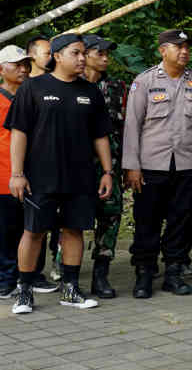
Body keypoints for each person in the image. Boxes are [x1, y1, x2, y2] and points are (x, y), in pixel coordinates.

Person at [6, 33, 114, 313]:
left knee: (74, 230)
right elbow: (19, 133)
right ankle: (24, 291)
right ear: (57, 56)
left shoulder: (90, 92)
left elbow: (100, 135)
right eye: (75, 53)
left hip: (80, 176)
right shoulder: (33, 88)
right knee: (34, 231)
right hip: (40, 176)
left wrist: (107, 171)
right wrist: (17, 173)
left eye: (83, 53)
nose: (82, 58)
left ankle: (71, 288)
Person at [123, 30, 192, 298]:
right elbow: (132, 125)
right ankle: (144, 273)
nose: (184, 52)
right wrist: (132, 166)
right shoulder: (145, 81)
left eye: (187, 47)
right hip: (151, 164)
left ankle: (174, 272)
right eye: (178, 47)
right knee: (147, 220)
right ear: (163, 50)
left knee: (181, 220)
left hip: (186, 164)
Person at [81, 34, 127, 298]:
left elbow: (126, 127)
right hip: (77, 167)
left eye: (108, 53)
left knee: (110, 217)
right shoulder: (69, 85)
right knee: (71, 220)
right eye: (100, 53)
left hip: (110, 166)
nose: (106, 58)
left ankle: (101, 275)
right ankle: (66, 272)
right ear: (84, 54)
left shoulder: (117, 87)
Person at [24, 34, 60, 292]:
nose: (51, 56)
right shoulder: (27, 87)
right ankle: (21, 279)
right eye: (47, 52)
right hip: (27, 170)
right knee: (28, 228)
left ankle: (40, 273)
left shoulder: (59, 85)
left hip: (56, 171)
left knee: (49, 226)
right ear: (32, 56)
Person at [0, 47, 32, 299]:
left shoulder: (32, 96)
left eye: (25, 65)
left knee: (30, 229)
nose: (23, 69)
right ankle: (5, 279)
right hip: (3, 177)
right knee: (5, 232)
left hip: (32, 176)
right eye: (16, 65)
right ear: (1, 69)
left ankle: (30, 276)